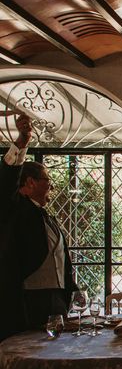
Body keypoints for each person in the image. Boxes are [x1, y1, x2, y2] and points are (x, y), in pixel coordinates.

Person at [0, 114, 77, 340]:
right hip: (28, 299)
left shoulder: (45, 216)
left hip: (56, 298)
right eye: (46, 179)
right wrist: (22, 141)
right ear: (30, 183)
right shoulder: (14, 209)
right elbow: (6, 183)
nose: (51, 185)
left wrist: (69, 290)